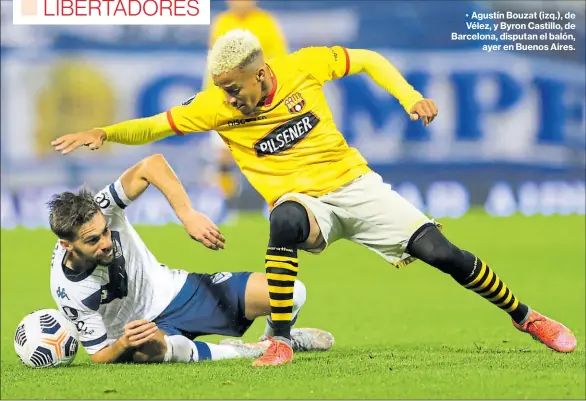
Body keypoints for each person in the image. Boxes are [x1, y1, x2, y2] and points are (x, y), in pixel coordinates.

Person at [51, 29, 578, 366]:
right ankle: (279, 339)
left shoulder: (304, 65)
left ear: (261, 74)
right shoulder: (216, 105)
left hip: (356, 185)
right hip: (305, 203)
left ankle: (526, 316)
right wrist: (106, 131)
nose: (229, 99)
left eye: (235, 88)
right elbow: (155, 126)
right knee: (282, 221)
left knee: (445, 255)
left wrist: (411, 97)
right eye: (222, 91)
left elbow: (369, 57)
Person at [47, 153, 333, 364]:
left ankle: (273, 339)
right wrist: (122, 342)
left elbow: (152, 165)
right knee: (158, 348)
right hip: (146, 331)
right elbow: (98, 355)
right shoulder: (70, 291)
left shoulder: (103, 207)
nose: (107, 243)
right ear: (67, 245)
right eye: (93, 240)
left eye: (106, 232)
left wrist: (187, 215)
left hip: (180, 291)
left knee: (293, 293)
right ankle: (249, 350)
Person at [205, 0, 289, 201]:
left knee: (270, 151)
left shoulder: (265, 22)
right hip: (226, 98)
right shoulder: (222, 22)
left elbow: (279, 61)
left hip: (260, 99)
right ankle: (225, 205)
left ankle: (278, 200)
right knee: (223, 153)